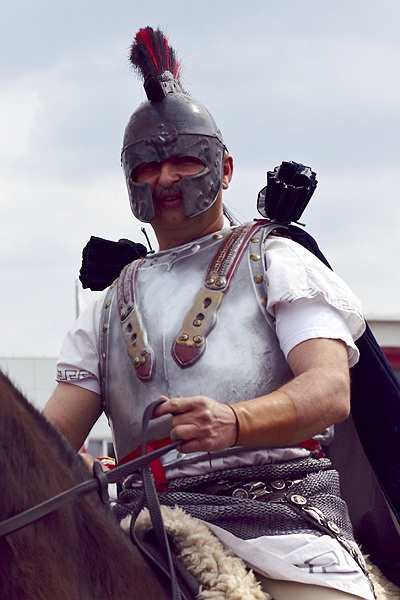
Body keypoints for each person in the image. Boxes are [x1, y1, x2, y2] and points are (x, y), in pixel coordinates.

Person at [44, 27, 374, 599]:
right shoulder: (106, 308)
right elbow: (52, 436)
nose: (165, 178)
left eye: (184, 161)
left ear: (224, 169)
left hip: (281, 527)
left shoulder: (276, 261)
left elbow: (329, 391)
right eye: (146, 167)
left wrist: (235, 421)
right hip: (146, 525)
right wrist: (60, 463)